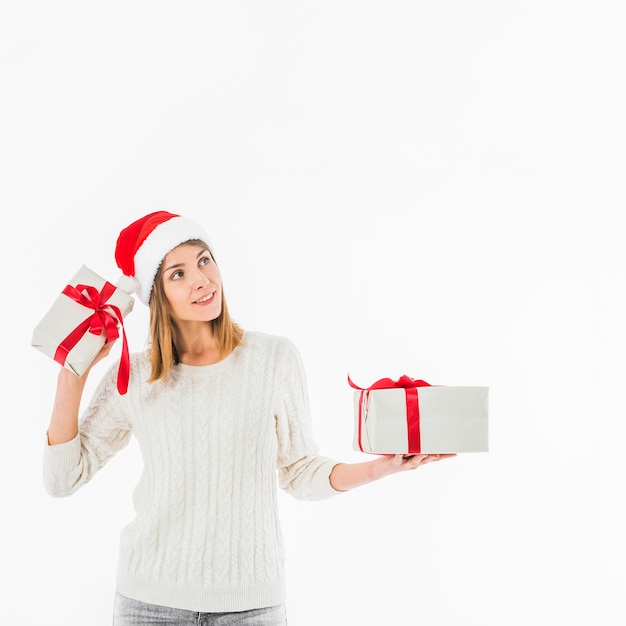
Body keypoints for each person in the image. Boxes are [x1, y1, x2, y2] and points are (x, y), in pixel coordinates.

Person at [43, 210, 454, 625]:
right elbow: (62, 480)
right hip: (149, 603)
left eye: (204, 260)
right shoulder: (137, 374)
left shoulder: (273, 359)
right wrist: (72, 373)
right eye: (178, 274)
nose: (201, 280)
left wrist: (377, 469)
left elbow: (298, 471)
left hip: (250, 607)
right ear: (157, 295)